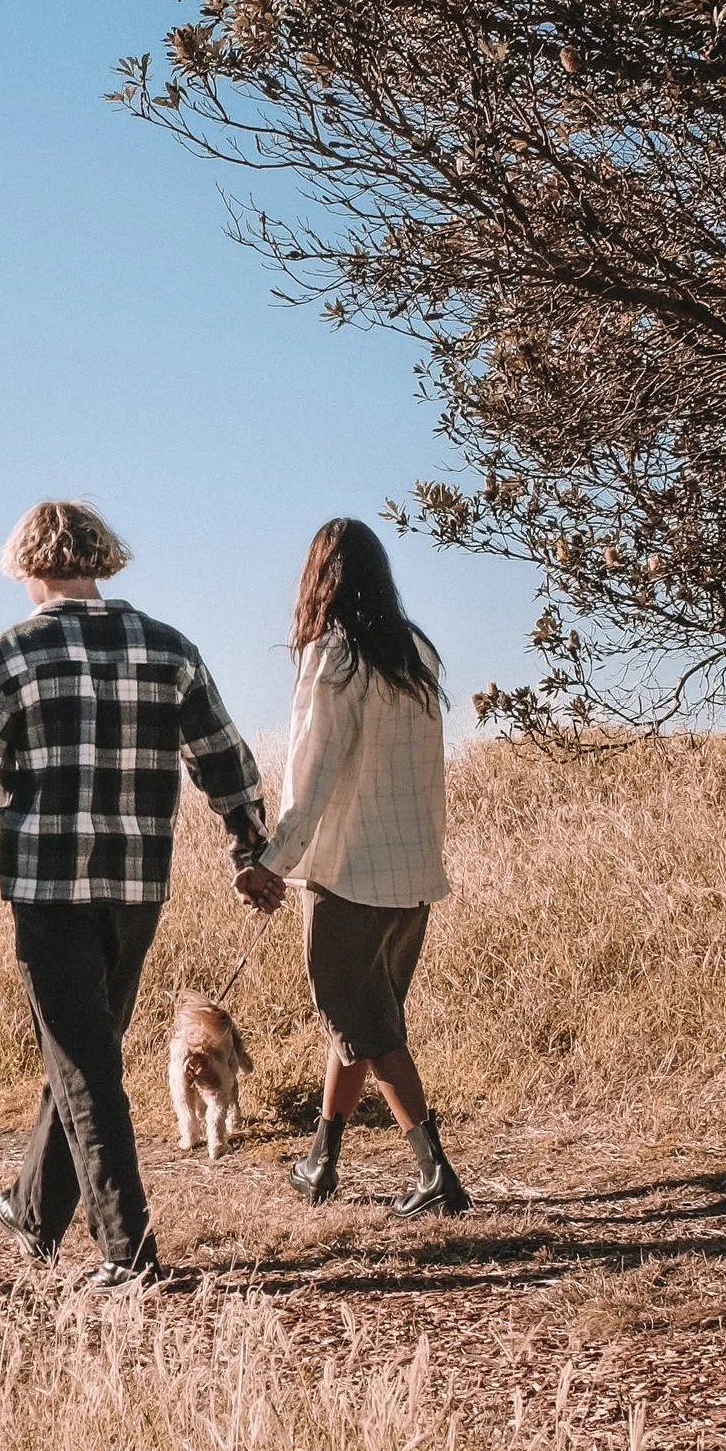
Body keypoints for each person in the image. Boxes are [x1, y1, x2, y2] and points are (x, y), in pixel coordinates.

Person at [0, 500, 264, 1289]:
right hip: (138, 890)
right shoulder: (169, 649)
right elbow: (226, 760)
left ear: (28, 565)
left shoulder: (13, 654)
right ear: (100, 559)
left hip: (48, 891)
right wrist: (248, 846)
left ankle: (128, 1252)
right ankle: (34, 1211)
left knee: (85, 1069)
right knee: (86, 1056)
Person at [236, 517, 467, 1215]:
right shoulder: (415, 652)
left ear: (320, 578)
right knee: (362, 1018)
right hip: (411, 873)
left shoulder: (333, 655)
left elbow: (311, 773)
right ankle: (320, 1161)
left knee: (364, 1021)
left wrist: (271, 862)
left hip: (348, 875)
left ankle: (435, 1174)